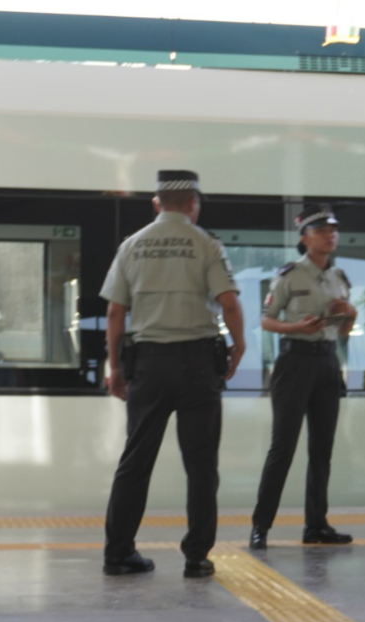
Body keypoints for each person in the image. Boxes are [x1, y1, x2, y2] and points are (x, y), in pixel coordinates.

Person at [101, 169, 245, 579]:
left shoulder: (131, 245)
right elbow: (229, 303)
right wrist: (239, 347)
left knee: (135, 461)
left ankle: (118, 553)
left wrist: (116, 368)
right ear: (193, 203)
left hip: (147, 365)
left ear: (157, 203)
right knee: (201, 466)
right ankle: (196, 557)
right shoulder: (206, 244)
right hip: (198, 366)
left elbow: (115, 312)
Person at [249, 204, 358, 550]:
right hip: (294, 363)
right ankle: (260, 527)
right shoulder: (289, 275)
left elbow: (343, 333)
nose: (331, 235)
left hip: (327, 363)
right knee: (282, 447)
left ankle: (316, 525)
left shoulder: (339, 279)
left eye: (334, 230)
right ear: (305, 238)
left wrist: (350, 315)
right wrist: (295, 327)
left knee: (321, 450)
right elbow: (266, 320)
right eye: (323, 231)